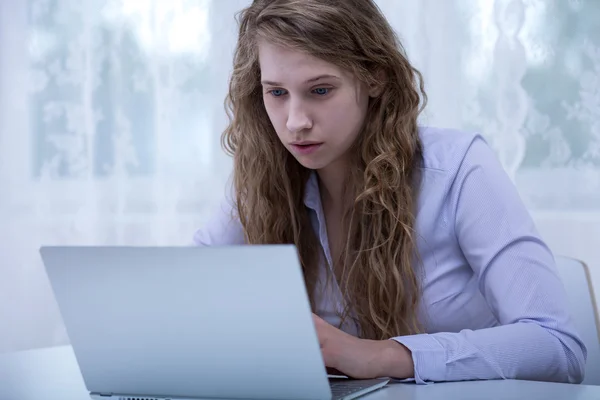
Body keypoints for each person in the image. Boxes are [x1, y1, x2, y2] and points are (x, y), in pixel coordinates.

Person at [193, 0, 587, 384]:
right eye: (276, 93)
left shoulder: (459, 169)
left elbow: (556, 346)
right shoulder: (262, 180)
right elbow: (187, 301)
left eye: (320, 91)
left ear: (375, 78)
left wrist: (381, 355)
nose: (295, 122)